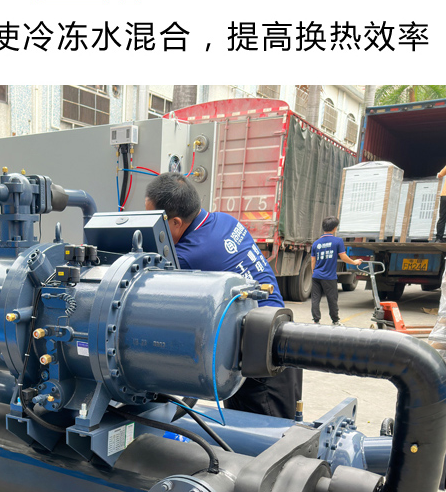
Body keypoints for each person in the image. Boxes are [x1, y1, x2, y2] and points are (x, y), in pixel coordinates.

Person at [144, 172, 302, 420]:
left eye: (154, 221)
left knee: (267, 437)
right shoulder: (224, 220)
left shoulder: (189, 255)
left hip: (262, 361)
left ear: (175, 222)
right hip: (276, 336)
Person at [310, 217, 362, 325]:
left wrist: (314, 273)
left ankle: (316, 321)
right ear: (334, 228)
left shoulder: (316, 243)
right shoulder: (337, 241)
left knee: (315, 298)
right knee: (332, 299)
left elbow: (313, 261)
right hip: (329, 277)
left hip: (316, 276)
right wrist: (354, 262)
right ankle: (335, 321)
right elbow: (343, 257)